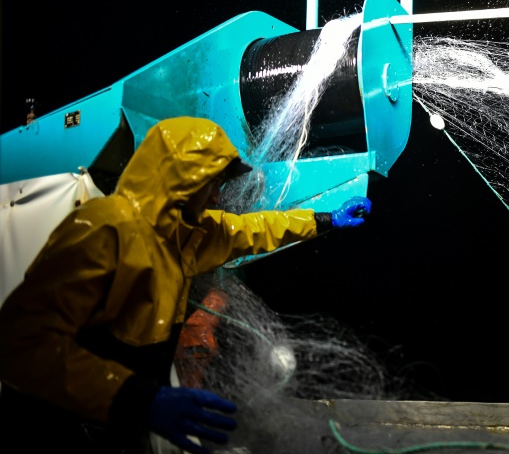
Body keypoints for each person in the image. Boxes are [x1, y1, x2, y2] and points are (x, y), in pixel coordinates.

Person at [0, 116, 372, 454]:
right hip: (64, 420)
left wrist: (324, 219)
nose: (215, 195)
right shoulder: (104, 229)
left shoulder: (188, 234)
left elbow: (254, 229)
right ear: (183, 176)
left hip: (122, 416)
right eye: (211, 183)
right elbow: (21, 343)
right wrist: (136, 399)